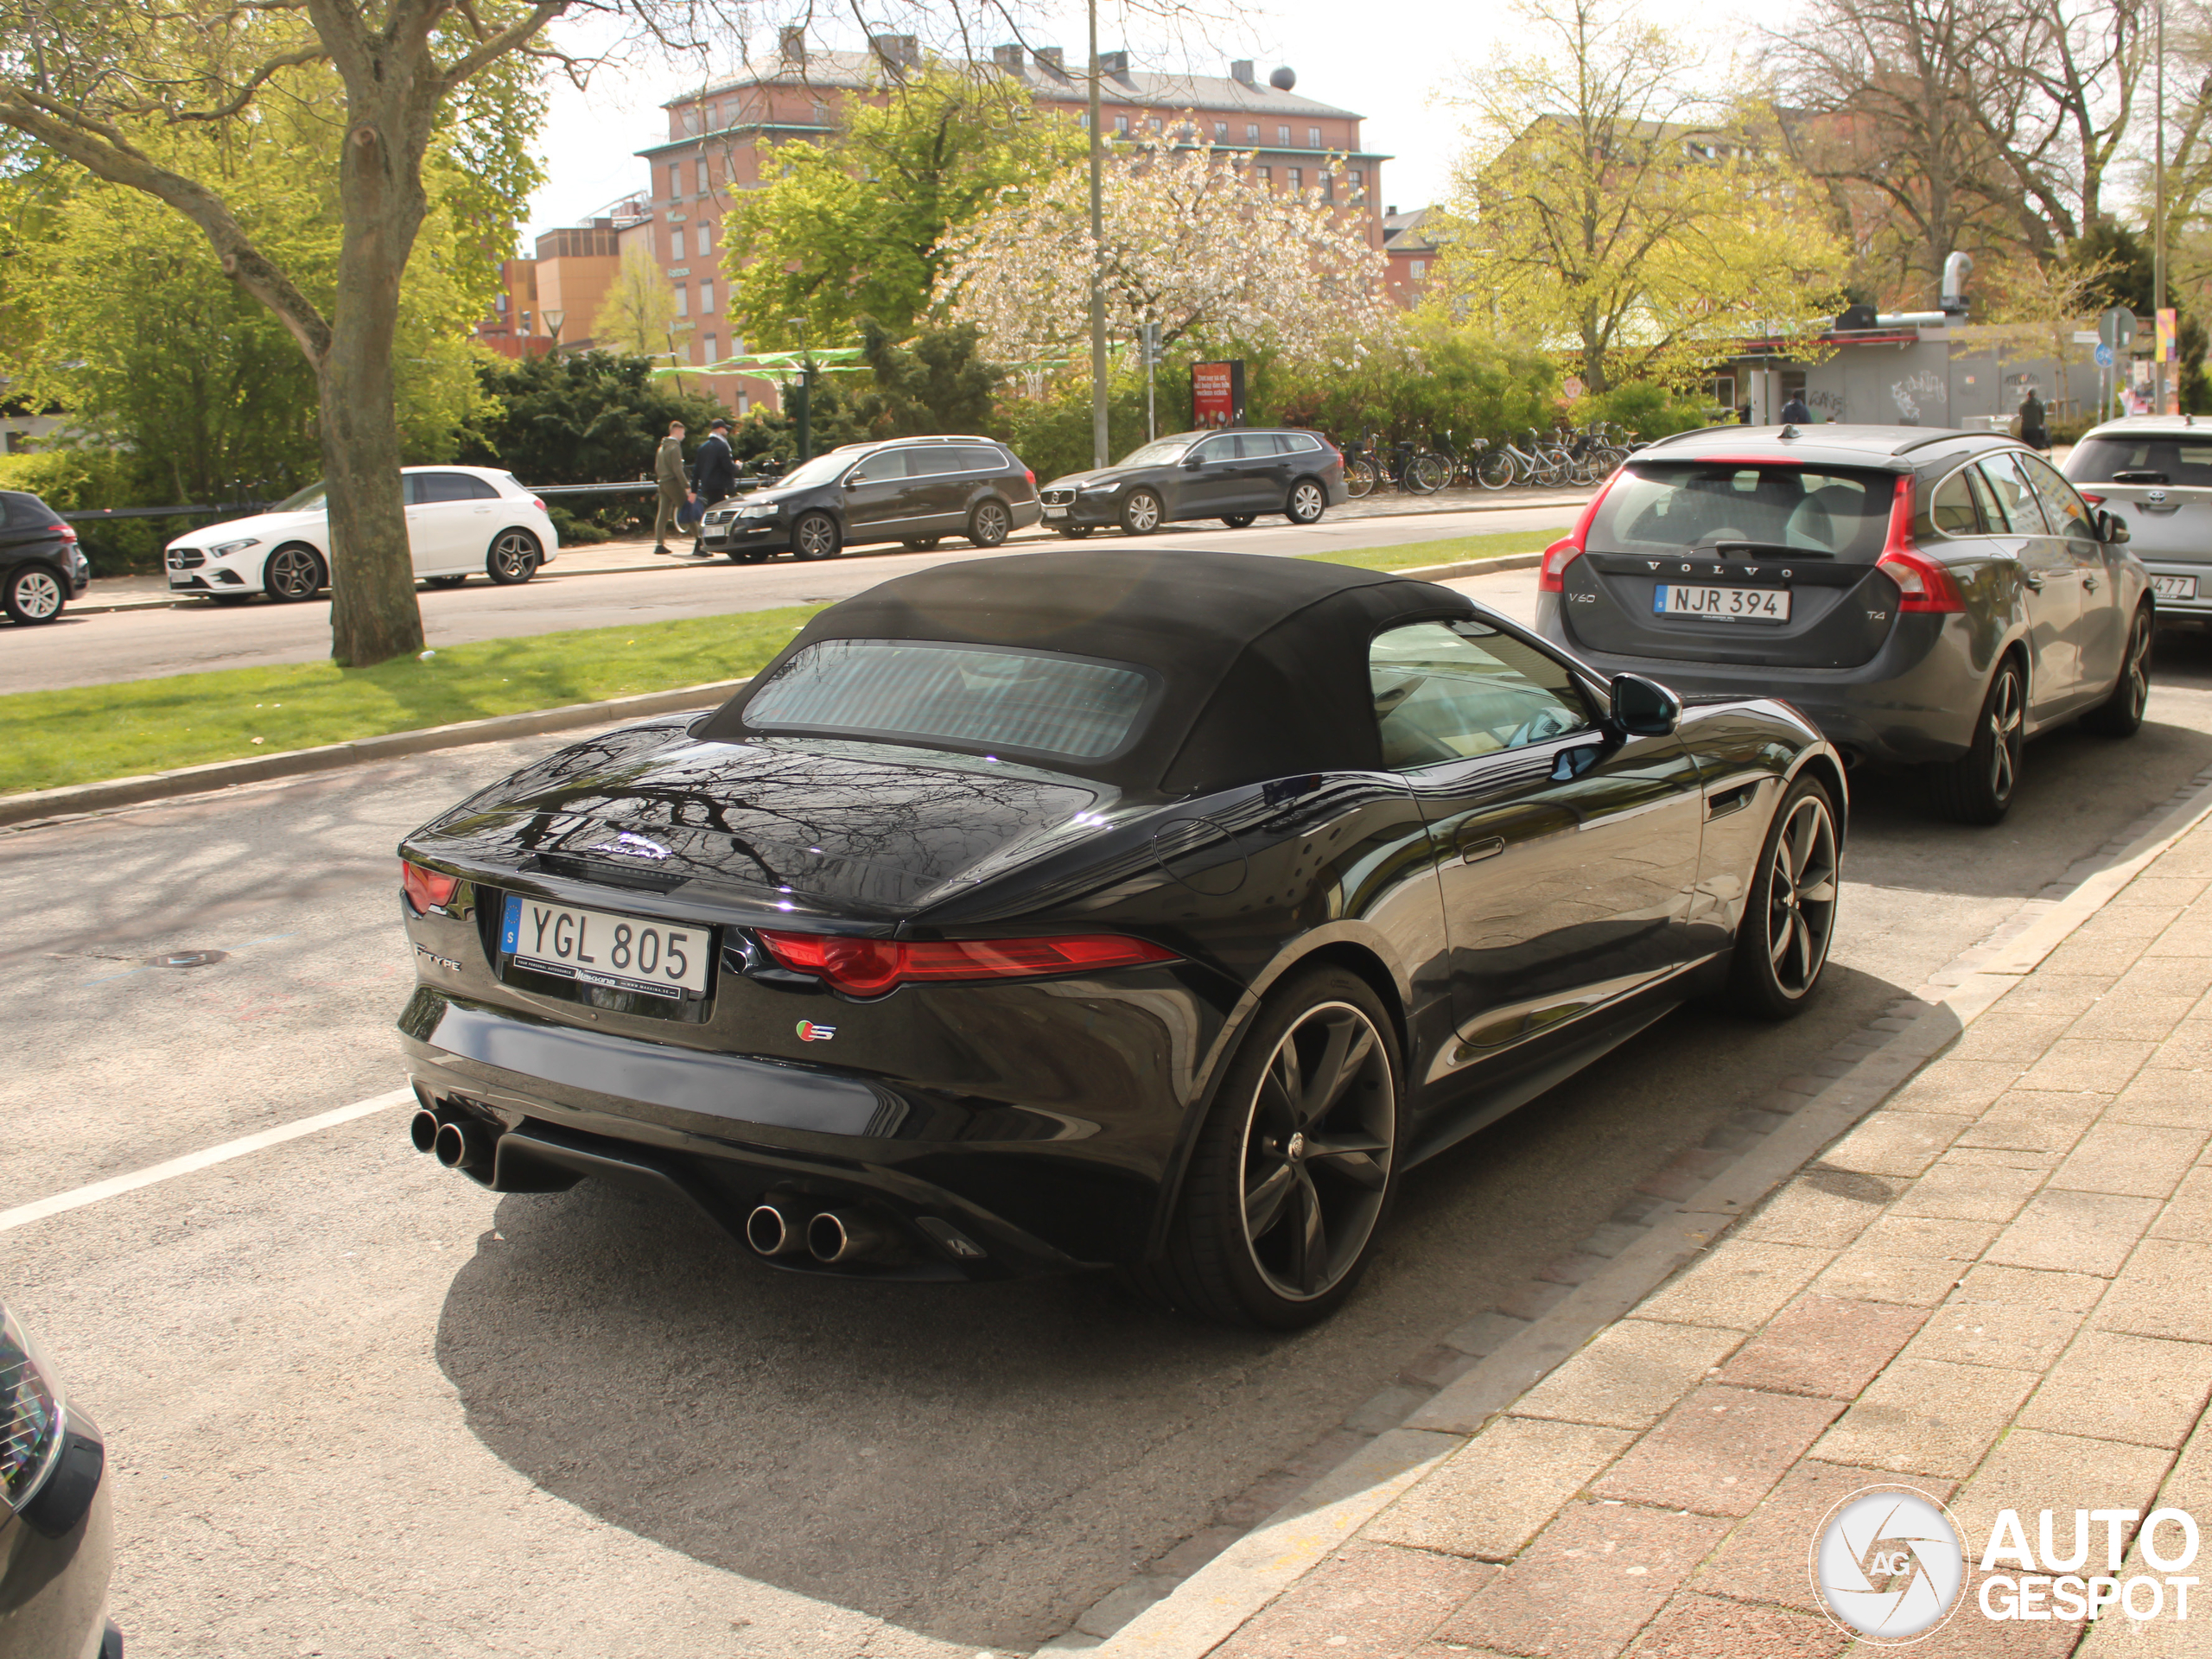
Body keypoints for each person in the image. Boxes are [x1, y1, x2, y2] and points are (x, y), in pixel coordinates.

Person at [687, 417, 740, 557]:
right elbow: (728, 467)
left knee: (710, 516)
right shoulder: (722, 446)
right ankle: (705, 546)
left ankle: (703, 545)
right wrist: (738, 467)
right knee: (716, 517)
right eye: (724, 429)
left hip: (708, 486)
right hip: (720, 485)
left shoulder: (703, 447)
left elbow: (696, 471)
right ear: (719, 429)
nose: (726, 431)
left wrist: (693, 490)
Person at [653, 421, 692, 555]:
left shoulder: (661, 448)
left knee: (663, 514)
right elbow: (678, 470)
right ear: (677, 430)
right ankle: (700, 542)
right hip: (673, 483)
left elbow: (657, 467)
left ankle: (659, 544)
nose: (684, 436)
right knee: (688, 509)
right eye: (683, 432)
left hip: (663, 483)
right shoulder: (675, 447)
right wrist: (686, 486)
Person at [2018, 388, 2049, 452]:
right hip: (2035, 428)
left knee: (2025, 447)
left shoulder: (2022, 404)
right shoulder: (2039, 403)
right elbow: (2042, 415)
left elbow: (2020, 414)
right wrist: (2041, 423)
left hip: (2024, 428)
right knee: (2034, 448)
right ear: (2035, 395)